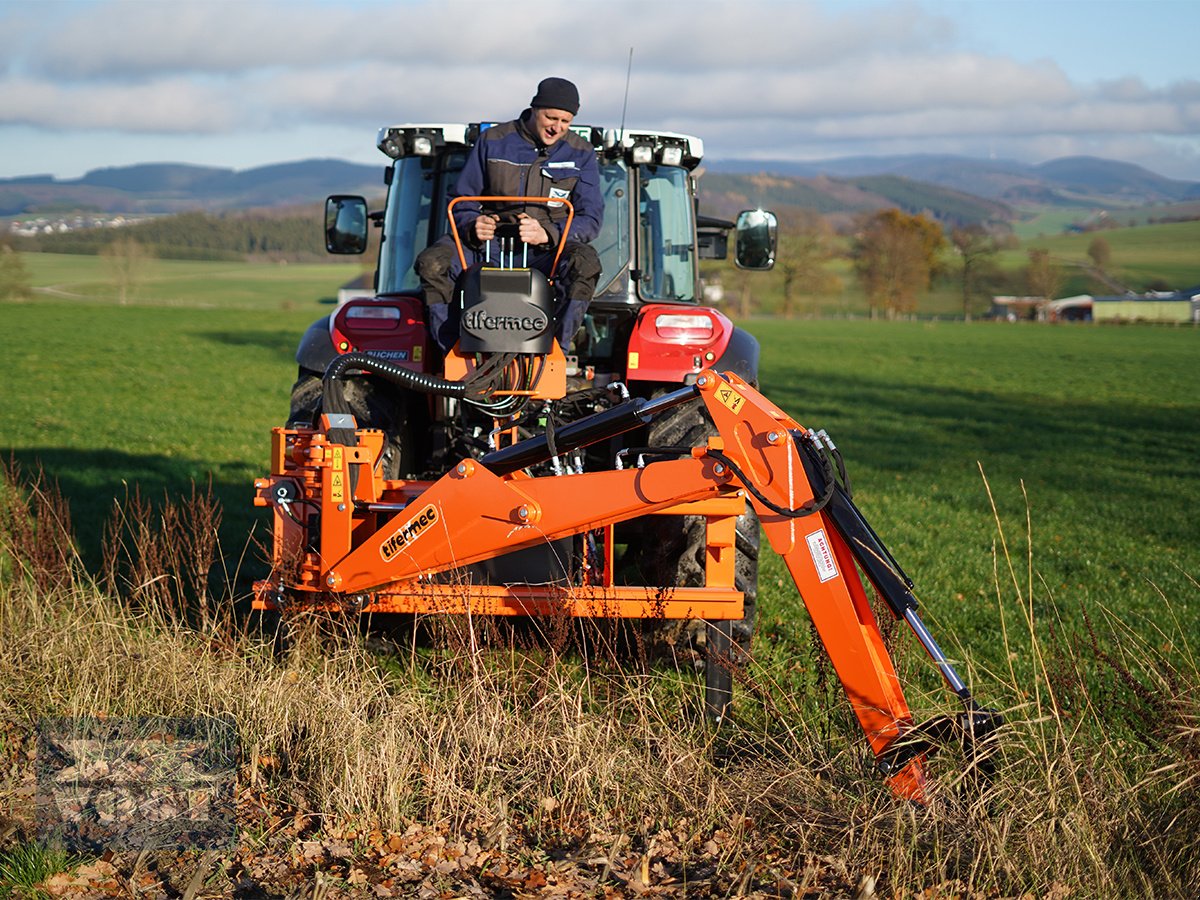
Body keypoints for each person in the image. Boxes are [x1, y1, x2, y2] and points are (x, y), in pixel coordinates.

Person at [415, 77, 603, 351]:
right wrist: (472, 224)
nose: (557, 127)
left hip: (546, 252)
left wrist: (546, 233)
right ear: (534, 109)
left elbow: (591, 218)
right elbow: (461, 199)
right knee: (433, 264)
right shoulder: (493, 141)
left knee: (584, 263)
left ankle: (555, 352)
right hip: (487, 247)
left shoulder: (581, 152)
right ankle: (453, 353)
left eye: (565, 121)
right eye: (551, 117)